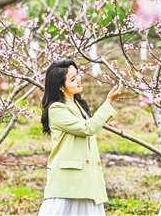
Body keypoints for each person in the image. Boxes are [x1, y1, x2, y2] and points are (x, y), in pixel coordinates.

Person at [39, 59, 122, 216]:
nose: (78, 80)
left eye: (77, 75)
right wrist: (108, 102)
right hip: (68, 180)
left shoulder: (78, 105)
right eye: (72, 79)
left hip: (86, 178)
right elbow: (87, 128)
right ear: (61, 87)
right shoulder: (57, 109)